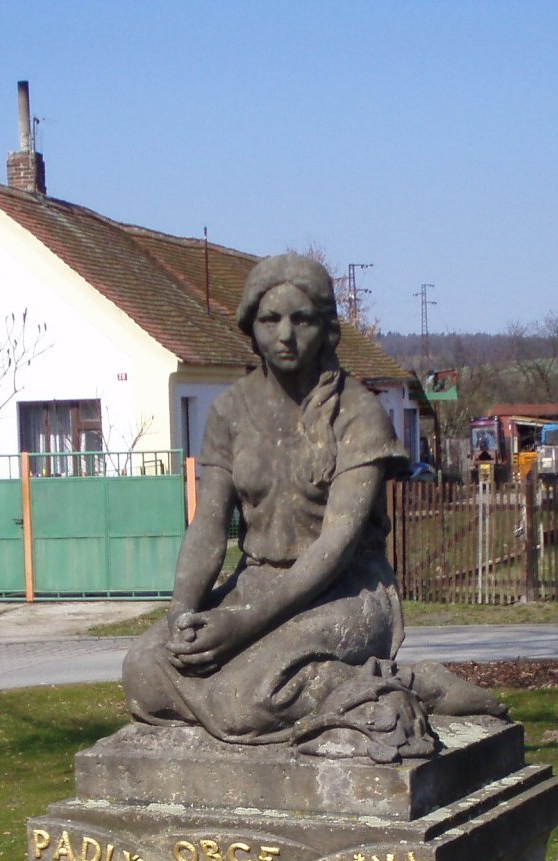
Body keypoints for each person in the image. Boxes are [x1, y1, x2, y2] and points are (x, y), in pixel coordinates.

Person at [122, 255, 501, 762]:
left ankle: (400, 685)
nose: (285, 335)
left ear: (327, 329)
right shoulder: (229, 412)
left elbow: (336, 546)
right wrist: (182, 615)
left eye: (301, 320)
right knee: (144, 668)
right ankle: (340, 687)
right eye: (269, 320)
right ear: (250, 328)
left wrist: (244, 627)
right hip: (256, 583)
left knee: (247, 698)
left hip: (345, 592)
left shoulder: (357, 412)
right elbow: (209, 528)